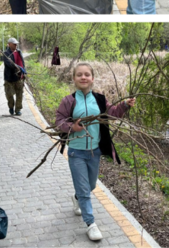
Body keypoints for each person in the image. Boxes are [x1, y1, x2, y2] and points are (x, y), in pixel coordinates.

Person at [55, 63, 136, 241]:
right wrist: (71, 127)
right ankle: (90, 224)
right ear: (74, 78)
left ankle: (76, 198)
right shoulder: (69, 101)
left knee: (90, 186)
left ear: (92, 78)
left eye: (87, 75)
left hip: (94, 151)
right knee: (85, 190)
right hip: (76, 152)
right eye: (79, 75)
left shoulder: (99, 99)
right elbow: (59, 121)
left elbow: (112, 113)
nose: (83, 77)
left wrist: (125, 105)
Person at [3, 38, 26, 116]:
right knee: (9, 94)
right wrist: (18, 68)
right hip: (9, 78)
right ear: (9, 44)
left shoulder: (19, 52)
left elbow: (22, 62)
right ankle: (11, 107)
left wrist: (23, 71)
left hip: (19, 77)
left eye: (16, 44)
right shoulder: (6, 54)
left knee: (20, 94)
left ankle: (18, 109)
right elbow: (9, 64)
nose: (16, 45)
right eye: (14, 44)